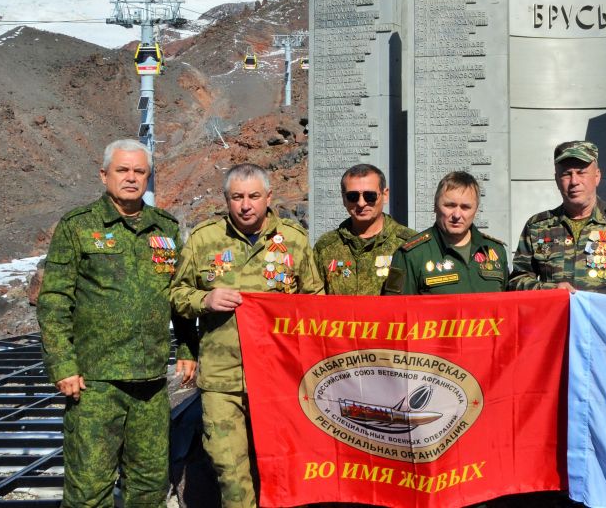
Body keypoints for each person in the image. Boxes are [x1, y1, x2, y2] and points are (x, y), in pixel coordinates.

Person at [37, 139, 196, 507]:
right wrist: (62, 364)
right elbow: (55, 300)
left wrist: (188, 347)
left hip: (151, 386)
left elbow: (179, 294)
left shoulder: (166, 228)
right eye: (122, 170)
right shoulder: (79, 226)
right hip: (95, 384)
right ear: (104, 174)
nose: (131, 178)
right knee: (89, 490)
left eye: (139, 171)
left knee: (149, 487)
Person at [171, 163, 322, 508]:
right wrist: (204, 299)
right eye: (237, 197)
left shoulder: (294, 241)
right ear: (226, 199)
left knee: (282, 465)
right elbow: (175, 294)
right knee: (229, 467)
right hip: (223, 379)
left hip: (279, 378)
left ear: (269, 197)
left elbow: (316, 302)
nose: (245, 205)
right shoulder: (204, 239)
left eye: (254, 196)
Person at [509, 140, 606, 298]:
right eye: (566, 174)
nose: (574, 181)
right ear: (557, 179)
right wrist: (549, 290)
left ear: (597, 176)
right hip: (558, 321)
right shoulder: (537, 227)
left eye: (581, 172)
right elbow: (516, 281)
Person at [383, 171, 508, 294]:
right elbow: (396, 310)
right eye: (450, 206)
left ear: (476, 210)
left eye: (465, 207)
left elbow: (507, 307)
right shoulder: (411, 255)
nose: (457, 215)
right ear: (435, 206)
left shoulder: (496, 251)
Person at [313, 163, 416, 295]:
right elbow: (314, 300)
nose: (361, 203)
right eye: (353, 196)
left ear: (385, 195)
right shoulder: (326, 247)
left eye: (370, 196)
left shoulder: (409, 245)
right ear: (344, 199)